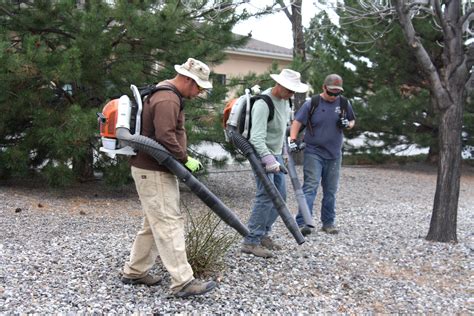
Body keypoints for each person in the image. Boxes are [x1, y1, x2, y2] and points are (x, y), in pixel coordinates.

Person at [121, 58, 217, 298]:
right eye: (198, 87)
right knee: (168, 223)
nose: (199, 93)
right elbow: (165, 136)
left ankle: (135, 271)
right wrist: (184, 159)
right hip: (154, 171)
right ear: (186, 79)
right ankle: (183, 282)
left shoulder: (166, 92)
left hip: (153, 169)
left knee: (153, 224)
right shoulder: (168, 98)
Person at [241, 69, 308, 258]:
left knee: (280, 198)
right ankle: (251, 241)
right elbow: (256, 138)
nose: (292, 94)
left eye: (294, 91)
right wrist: (269, 160)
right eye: (290, 90)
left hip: (276, 153)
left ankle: (263, 234)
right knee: (266, 196)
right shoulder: (263, 103)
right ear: (279, 85)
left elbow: (279, 133)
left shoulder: (285, 101)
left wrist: (283, 154)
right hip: (260, 155)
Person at [289, 74, 355, 235]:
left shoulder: (345, 103)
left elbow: (352, 121)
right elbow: (297, 122)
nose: (334, 96)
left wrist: (347, 124)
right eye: (331, 92)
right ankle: (304, 222)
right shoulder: (312, 103)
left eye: (337, 93)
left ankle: (328, 222)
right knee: (310, 187)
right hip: (314, 152)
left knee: (331, 190)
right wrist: (292, 139)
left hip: (334, 154)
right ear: (324, 88)